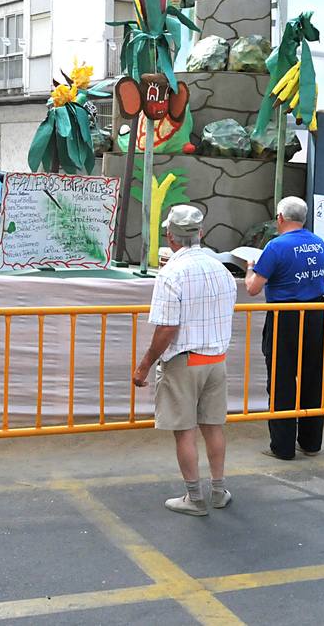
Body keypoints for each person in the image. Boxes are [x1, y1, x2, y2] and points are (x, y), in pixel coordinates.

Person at [133, 205, 236, 516]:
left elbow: (167, 328)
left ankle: (194, 497)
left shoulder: (171, 273)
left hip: (185, 360)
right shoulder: (221, 268)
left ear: (170, 236)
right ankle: (218, 491)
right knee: (213, 426)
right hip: (217, 358)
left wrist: (144, 364)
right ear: (200, 233)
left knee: (185, 430)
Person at [244, 196, 324, 460]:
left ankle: (282, 447)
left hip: (285, 316)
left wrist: (250, 268)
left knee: (282, 379)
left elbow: (252, 288)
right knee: (312, 376)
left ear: (280, 218)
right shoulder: (317, 243)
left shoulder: (276, 246)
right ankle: (311, 442)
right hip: (316, 313)